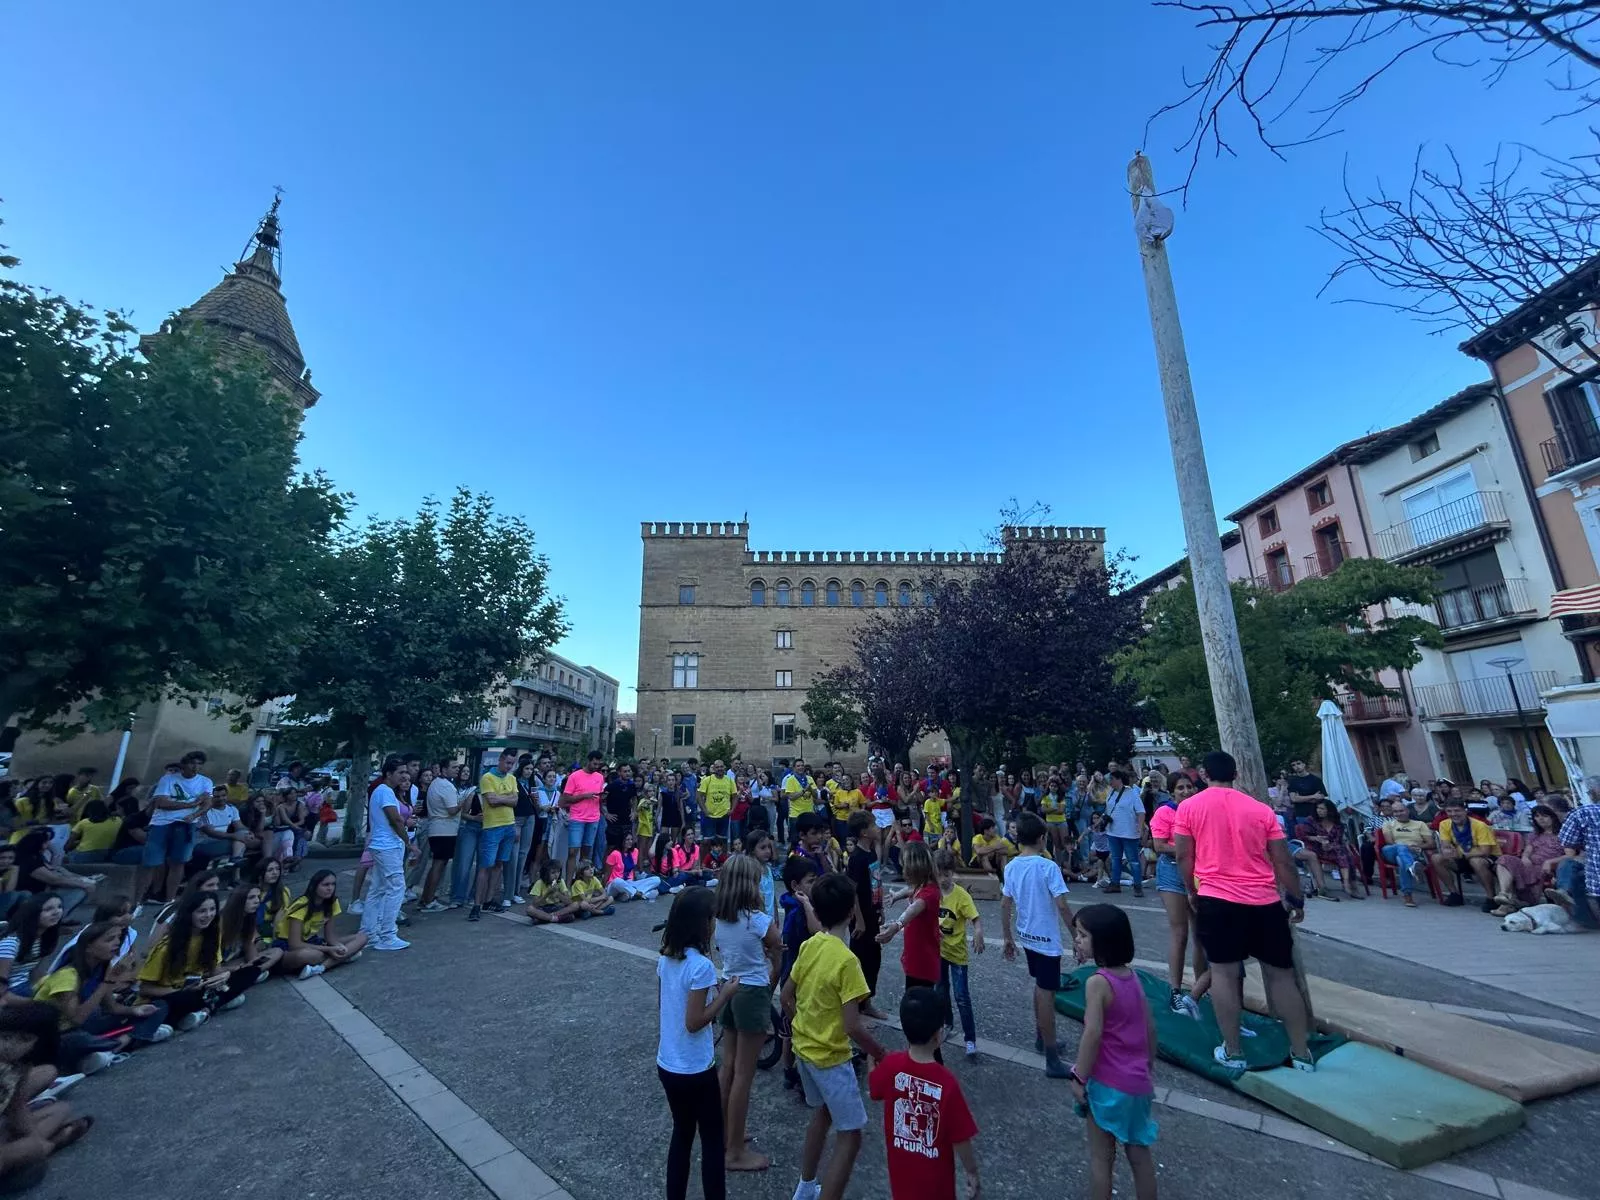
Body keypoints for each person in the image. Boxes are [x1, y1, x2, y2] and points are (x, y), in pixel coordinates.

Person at [1175, 751, 1314, 1074]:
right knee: (1282, 975)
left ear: (1204, 775)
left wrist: (1191, 891)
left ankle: (1234, 1050)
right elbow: (1282, 860)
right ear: (1235, 774)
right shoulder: (1260, 809)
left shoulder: (1190, 807)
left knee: (1223, 973)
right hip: (1264, 900)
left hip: (1217, 897)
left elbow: (1184, 856)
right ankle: (1301, 1052)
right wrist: (1295, 898)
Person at [782, 872, 888, 1200]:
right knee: (852, 1135)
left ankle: (805, 1186)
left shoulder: (811, 945)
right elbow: (853, 1026)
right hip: (830, 1057)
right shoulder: (847, 961)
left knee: (824, 1113)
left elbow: (786, 996)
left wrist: (804, 1026)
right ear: (850, 912)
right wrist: (882, 1053)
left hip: (804, 1049)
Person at [1069, 905, 1159, 1200]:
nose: (1077, 940)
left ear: (1103, 941)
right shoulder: (1132, 978)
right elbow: (1149, 1027)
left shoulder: (1098, 982)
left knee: (1101, 1158)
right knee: (1139, 1155)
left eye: (1083, 935)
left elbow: (1092, 1034)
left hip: (1107, 1084)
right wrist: (1148, 1066)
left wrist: (1079, 1076)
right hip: (1137, 1083)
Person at [656, 887, 735, 1200]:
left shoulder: (666, 959)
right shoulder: (700, 966)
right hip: (695, 1067)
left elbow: (668, 1008)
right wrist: (725, 995)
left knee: (682, 1134)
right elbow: (694, 1022)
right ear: (703, 924)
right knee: (712, 1138)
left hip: (668, 1062)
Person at [868, 986, 980, 1200]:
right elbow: (961, 1138)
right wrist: (972, 1172)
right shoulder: (947, 1083)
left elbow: (874, 1089)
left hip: (901, 1182)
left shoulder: (891, 1065)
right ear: (938, 1035)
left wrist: (872, 1061)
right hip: (938, 1187)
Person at [710, 854, 780, 1172]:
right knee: (744, 1075)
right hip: (753, 991)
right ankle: (735, 1150)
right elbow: (777, 949)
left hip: (730, 985)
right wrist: (772, 977)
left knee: (728, 1068)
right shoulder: (756, 919)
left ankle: (725, 1134)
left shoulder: (721, 917)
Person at [35, 921, 171, 1070]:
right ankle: (135, 1037)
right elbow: (77, 1019)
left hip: (85, 1026)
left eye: (118, 938)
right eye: (109, 940)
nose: (117, 943)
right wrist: (108, 981)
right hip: (59, 1033)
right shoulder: (67, 976)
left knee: (159, 1007)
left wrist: (134, 1011)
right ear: (88, 947)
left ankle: (121, 1042)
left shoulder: (103, 967)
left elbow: (112, 1007)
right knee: (81, 1040)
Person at [1000, 813, 1074, 1078]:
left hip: (1026, 935)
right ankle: (1052, 1057)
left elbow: (1005, 903)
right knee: (1047, 992)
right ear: (1042, 838)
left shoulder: (1011, 866)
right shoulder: (1047, 867)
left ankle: (1042, 1037)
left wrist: (1007, 936)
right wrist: (1077, 935)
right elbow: (1063, 906)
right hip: (1046, 939)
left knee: (1040, 987)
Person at [137, 889, 264, 1028]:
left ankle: (202, 1011)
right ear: (189, 913)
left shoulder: (212, 936)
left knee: (251, 972)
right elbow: (145, 989)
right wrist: (181, 991)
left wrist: (224, 976)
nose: (208, 915)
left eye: (212, 910)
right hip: (173, 994)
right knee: (186, 999)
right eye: (201, 911)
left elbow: (214, 970)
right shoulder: (167, 947)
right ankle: (206, 1009)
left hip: (199, 987)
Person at [1148, 775, 1206, 1015]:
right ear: (1172, 792)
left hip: (1199, 872)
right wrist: (1187, 850)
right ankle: (1175, 990)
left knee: (1201, 935)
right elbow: (1159, 845)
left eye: (1188, 787)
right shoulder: (1165, 812)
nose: (1184, 791)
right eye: (1179, 788)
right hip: (1173, 872)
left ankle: (1201, 990)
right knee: (1179, 932)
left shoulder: (1200, 810)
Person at [140, 751, 213, 905]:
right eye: (192, 763)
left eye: (199, 764)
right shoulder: (168, 780)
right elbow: (162, 803)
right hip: (162, 823)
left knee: (178, 862)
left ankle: (169, 899)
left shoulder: (205, 782)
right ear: (184, 765)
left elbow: (207, 802)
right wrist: (192, 804)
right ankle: (139, 899)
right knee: (151, 862)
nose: (196, 767)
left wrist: (194, 815)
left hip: (187, 824)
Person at [362, 758, 417, 949]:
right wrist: (408, 842)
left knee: (377, 888)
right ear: (389, 774)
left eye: (405, 771)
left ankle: (369, 932)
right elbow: (395, 819)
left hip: (382, 844)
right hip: (387, 846)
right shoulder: (385, 791)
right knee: (396, 887)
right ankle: (387, 934)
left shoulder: (384, 791)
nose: (405, 775)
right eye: (400, 772)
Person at [876, 842, 942, 1001]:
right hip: (917, 954)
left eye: (904, 866)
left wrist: (896, 926)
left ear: (914, 869)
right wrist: (897, 895)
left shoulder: (929, 893)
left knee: (917, 1002)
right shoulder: (923, 886)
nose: (902, 870)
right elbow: (910, 890)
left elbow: (913, 909)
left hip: (922, 959)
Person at [274, 869, 366, 978]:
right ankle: (343, 958)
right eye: (325, 885)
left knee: (362, 937)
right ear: (314, 886)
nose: (330, 888)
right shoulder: (302, 906)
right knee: (311, 955)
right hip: (289, 947)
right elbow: (295, 944)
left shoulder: (332, 902)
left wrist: (338, 946)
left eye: (333, 884)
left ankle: (321, 967)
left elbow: (330, 938)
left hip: (314, 942)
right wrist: (330, 950)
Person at [843, 810, 888, 1021]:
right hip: (861, 919)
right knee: (861, 961)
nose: (877, 827)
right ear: (863, 832)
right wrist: (858, 919)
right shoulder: (856, 859)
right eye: (873, 825)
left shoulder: (871, 854)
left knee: (874, 959)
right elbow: (852, 891)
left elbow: (875, 883)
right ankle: (857, 1007)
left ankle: (867, 1001)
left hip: (873, 914)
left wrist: (881, 909)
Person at [470, 749, 520, 922]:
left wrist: (502, 798)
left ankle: (489, 899)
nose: (509, 767)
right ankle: (476, 904)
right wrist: (507, 797)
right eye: (507, 763)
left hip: (509, 824)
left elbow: (515, 801)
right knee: (485, 866)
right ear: (500, 760)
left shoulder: (512, 778)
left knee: (499, 864)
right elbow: (491, 800)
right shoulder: (487, 778)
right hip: (492, 826)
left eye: (512, 764)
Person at [1431, 800, 1499, 911]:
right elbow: (1445, 844)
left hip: (1486, 857)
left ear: (1465, 811)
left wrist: (1461, 854)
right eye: (1449, 811)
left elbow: (1485, 851)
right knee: (1436, 858)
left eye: (1457, 811)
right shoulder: (1444, 824)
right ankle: (1454, 894)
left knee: (1476, 861)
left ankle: (1491, 897)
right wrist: (1447, 850)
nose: (1453, 814)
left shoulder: (1480, 825)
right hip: (1462, 856)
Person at [0, 894, 67, 1002]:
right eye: (48, 909)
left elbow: (35, 973)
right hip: (10, 991)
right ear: (33, 914)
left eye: (59, 907)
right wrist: (34, 1003)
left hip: (25, 985)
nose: (56, 912)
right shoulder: (11, 943)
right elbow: (2, 988)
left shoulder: (42, 940)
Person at [1295, 799, 1367, 900]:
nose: (1318, 811)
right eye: (1317, 808)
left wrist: (1329, 846)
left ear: (1329, 810)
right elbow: (1304, 836)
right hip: (1316, 849)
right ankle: (1349, 885)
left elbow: (1338, 840)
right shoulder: (1311, 821)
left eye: (1322, 808)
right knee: (1344, 854)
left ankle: (1346, 884)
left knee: (1343, 853)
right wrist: (1317, 839)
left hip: (1332, 849)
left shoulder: (1337, 824)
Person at [419, 760, 460, 913]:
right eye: (454, 767)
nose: (457, 769)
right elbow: (452, 810)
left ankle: (426, 898)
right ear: (444, 769)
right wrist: (463, 801)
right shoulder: (444, 785)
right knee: (438, 865)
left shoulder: (438, 783)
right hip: (444, 830)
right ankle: (429, 900)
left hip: (440, 829)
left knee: (438, 864)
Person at [561, 752, 607, 884]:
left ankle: (582, 883)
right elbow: (566, 798)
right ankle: (568, 883)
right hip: (577, 818)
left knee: (586, 852)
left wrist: (602, 798)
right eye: (594, 763)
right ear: (588, 761)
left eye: (598, 764)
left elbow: (597, 796)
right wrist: (583, 796)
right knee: (573, 851)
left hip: (593, 818)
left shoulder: (599, 777)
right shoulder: (575, 776)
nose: (596, 766)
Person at [1380, 803, 1438, 907]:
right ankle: (1412, 867)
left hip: (1413, 853)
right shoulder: (1388, 824)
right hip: (1391, 851)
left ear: (1407, 810)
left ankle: (1408, 895)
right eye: (1396, 812)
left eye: (1401, 811)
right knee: (1400, 847)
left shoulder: (1420, 824)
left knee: (1401, 861)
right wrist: (1407, 846)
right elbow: (1389, 842)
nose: (1399, 813)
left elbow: (1431, 843)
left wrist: (1418, 846)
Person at [1555, 800, 1600, 928]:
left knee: (1572, 870)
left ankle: (1565, 891)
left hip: (1594, 867)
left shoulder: (1583, 812)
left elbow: (1567, 841)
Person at [1101, 770, 1145, 896]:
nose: (1110, 782)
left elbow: (1141, 812)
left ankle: (1138, 886)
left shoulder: (1131, 794)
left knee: (1133, 860)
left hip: (1129, 832)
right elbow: (1108, 810)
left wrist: (1140, 828)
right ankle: (1115, 883)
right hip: (1113, 831)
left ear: (1119, 779)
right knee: (1115, 859)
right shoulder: (1111, 793)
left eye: (1112, 779)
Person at [604, 833, 662, 903]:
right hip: (614, 885)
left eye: (631, 839)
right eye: (627, 840)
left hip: (628, 883)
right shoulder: (615, 853)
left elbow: (632, 871)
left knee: (656, 879)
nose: (630, 841)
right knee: (618, 881)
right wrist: (604, 888)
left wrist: (634, 882)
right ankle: (640, 893)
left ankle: (629, 894)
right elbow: (607, 872)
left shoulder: (635, 851)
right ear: (622, 841)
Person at [63, 801, 121, 866]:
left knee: (63, 859)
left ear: (89, 811)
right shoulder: (118, 820)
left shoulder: (84, 822)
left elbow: (67, 845)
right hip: (109, 853)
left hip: (85, 855)